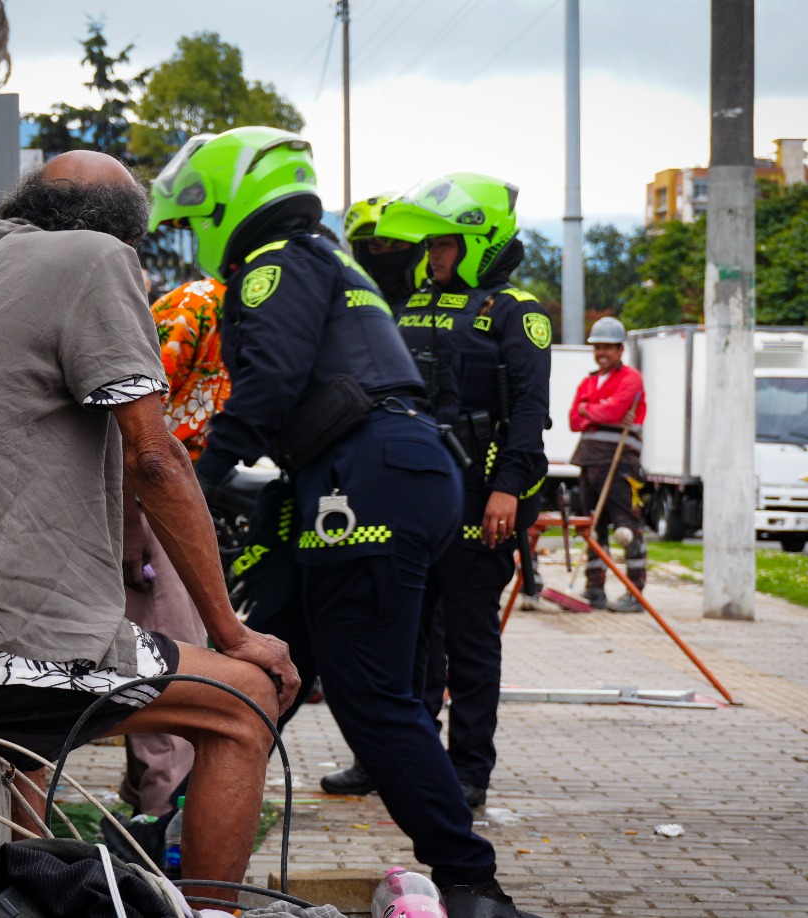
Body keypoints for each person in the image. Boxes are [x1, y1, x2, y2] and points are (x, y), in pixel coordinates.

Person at [0, 151, 299, 899]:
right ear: (127, 240)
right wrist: (231, 632)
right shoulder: (97, 260)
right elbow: (156, 460)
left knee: (48, 674)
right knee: (242, 702)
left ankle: (31, 896)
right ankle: (211, 914)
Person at [151, 128, 540, 918]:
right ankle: (163, 836)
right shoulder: (329, 256)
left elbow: (266, 394)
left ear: (228, 203)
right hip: (381, 474)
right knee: (266, 672)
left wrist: (188, 481)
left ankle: (470, 881)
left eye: (196, 221)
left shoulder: (273, 267)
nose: (196, 241)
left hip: (366, 481)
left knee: (371, 696)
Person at [319, 175, 551, 811]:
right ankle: (387, 759)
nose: (433, 255)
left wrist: (508, 491)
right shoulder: (409, 304)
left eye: (445, 243)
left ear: (479, 242)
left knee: (470, 647)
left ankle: (468, 771)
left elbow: (530, 415)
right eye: (431, 245)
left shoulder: (515, 311)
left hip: (482, 506)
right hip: (410, 503)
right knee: (403, 641)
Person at [118, 277, 230, 820]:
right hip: (146, 496)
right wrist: (130, 528)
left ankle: (143, 813)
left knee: (172, 655)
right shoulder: (195, 310)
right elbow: (128, 427)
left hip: (173, 493)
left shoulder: (265, 327)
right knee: (171, 668)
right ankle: (163, 833)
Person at [568, 316, 648, 612]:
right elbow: (573, 421)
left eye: (607, 347)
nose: (601, 352)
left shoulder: (630, 379)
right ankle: (595, 589)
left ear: (620, 349)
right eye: (597, 347)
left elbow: (614, 411)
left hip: (621, 464)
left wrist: (588, 409)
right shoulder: (588, 381)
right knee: (593, 528)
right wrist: (595, 412)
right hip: (589, 463)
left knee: (626, 529)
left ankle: (634, 592)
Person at [343, 193, 424, 308]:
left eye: (397, 247)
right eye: (376, 248)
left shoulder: (438, 303)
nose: (387, 256)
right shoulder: (347, 305)